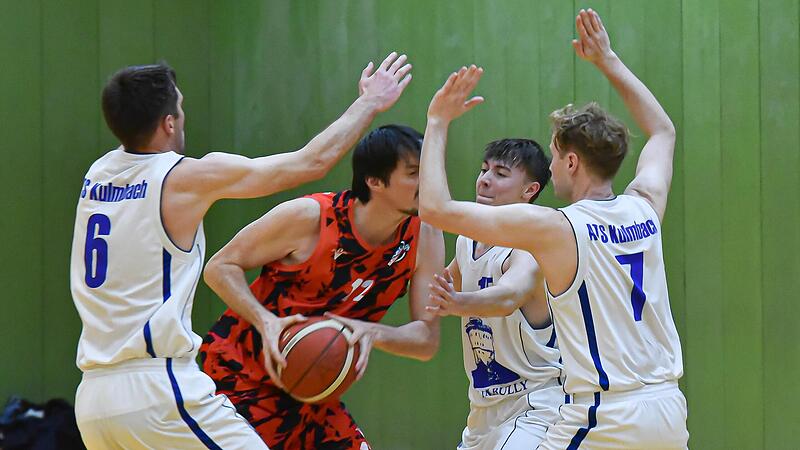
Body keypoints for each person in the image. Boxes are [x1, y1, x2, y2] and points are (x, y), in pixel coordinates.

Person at [70, 52, 413, 449]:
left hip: (94, 400)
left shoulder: (97, 176)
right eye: (179, 109)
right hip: (159, 389)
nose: (182, 117)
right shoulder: (182, 177)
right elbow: (310, 163)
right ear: (168, 124)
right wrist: (370, 101)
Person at [418, 9, 688, 449]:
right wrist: (608, 60)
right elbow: (662, 132)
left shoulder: (555, 228)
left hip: (604, 414)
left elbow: (434, 207)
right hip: (668, 409)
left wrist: (437, 122)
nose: (551, 165)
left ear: (571, 162)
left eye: (555, 153)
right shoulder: (645, 209)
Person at [199, 124, 444, 450]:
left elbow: (426, 339)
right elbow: (219, 267)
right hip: (241, 377)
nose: (426, 180)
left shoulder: (424, 235)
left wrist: (372, 332)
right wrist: (265, 320)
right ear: (374, 181)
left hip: (313, 392)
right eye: (414, 172)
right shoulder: (311, 217)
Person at [426, 138, 563, 449]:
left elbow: (508, 296)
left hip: (536, 404)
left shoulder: (529, 244)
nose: (485, 179)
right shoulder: (467, 240)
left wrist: (457, 302)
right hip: (483, 411)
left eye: (501, 174)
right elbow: (437, 288)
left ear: (530, 191)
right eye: (484, 170)